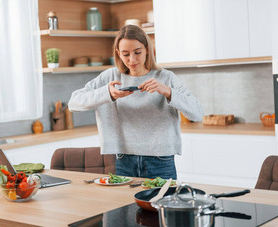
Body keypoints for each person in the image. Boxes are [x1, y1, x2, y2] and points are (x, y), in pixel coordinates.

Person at [68, 25, 203, 180]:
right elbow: (73, 103)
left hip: (161, 161)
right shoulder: (111, 76)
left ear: (147, 49)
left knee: (161, 204)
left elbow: (197, 113)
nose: (132, 60)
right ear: (118, 53)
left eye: (137, 52)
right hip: (124, 160)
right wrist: (107, 93)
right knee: (126, 205)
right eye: (125, 54)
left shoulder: (166, 77)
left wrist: (168, 91)